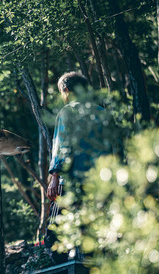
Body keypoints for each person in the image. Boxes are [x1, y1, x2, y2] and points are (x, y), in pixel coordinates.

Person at [45, 72, 119, 262]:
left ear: (66, 91)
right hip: (100, 182)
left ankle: (63, 273)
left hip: (72, 182)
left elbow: (61, 146)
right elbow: (114, 149)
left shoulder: (67, 112)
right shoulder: (103, 113)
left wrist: (54, 176)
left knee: (58, 229)